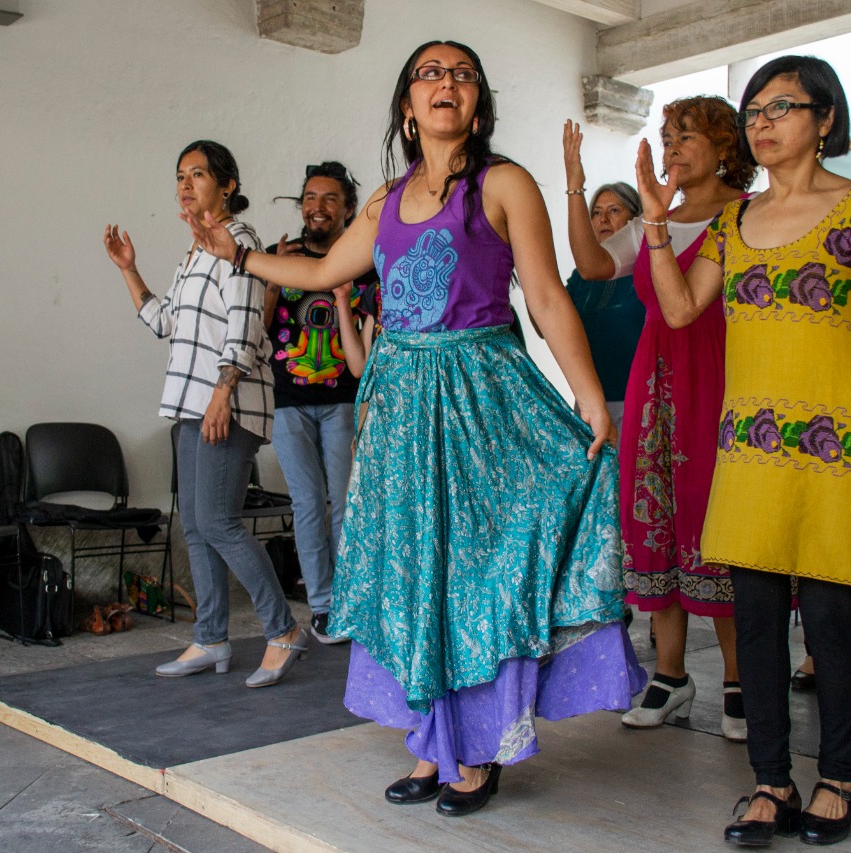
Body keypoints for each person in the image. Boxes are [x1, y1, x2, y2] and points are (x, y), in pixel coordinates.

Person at [184, 40, 644, 818]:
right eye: (429, 73)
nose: (446, 83)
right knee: (414, 575)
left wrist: (591, 396)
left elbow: (546, 296)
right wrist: (244, 256)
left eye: (462, 74)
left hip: (480, 400)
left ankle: (477, 747)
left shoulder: (505, 183)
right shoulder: (385, 202)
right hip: (400, 407)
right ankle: (434, 742)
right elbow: (325, 273)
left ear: (478, 104)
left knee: (472, 577)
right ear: (407, 104)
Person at [634, 56, 851, 847]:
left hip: (842, 446)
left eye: (783, 106)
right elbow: (677, 311)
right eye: (755, 111)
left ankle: (839, 777)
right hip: (751, 449)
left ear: (826, 120)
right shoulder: (729, 224)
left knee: (829, 616)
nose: (764, 122)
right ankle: (770, 781)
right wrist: (651, 218)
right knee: (757, 614)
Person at [563, 97, 754, 743]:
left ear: (725, 145)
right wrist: (574, 182)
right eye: (667, 136)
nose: (671, 147)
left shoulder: (748, 216)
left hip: (724, 384)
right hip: (655, 386)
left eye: (687, 136)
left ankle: (740, 679)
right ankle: (670, 676)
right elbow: (592, 264)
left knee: (720, 529)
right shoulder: (655, 219)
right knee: (657, 524)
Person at [103, 140, 308, 687]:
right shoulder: (195, 251)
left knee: (218, 521)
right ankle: (211, 637)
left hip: (226, 401)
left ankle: (283, 629)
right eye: (180, 176)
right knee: (195, 525)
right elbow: (165, 320)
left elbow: (245, 324)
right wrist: (129, 269)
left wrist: (223, 392)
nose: (186, 184)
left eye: (198, 173)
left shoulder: (239, 242)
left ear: (228, 186)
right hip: (192, 403)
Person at [263, 162, 380, 644]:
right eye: (310, 197)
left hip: (344, 401)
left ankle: (353, 599)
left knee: (345, 505)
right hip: (289, 400)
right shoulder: (279, 256)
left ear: (348, 208)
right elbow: (257, 326)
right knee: (307, 503)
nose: (317, 207)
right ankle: (324, 605)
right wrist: (272, 280)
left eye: (330, 198)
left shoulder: (363, 260)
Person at [563, 181, 644, 432]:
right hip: (590, 403)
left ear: (636, 219)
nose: (603, 220)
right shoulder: (582, 276)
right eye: (596, 213)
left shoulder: (647, 271)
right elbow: (550, 325)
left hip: (638, 402)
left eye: (614, 211)